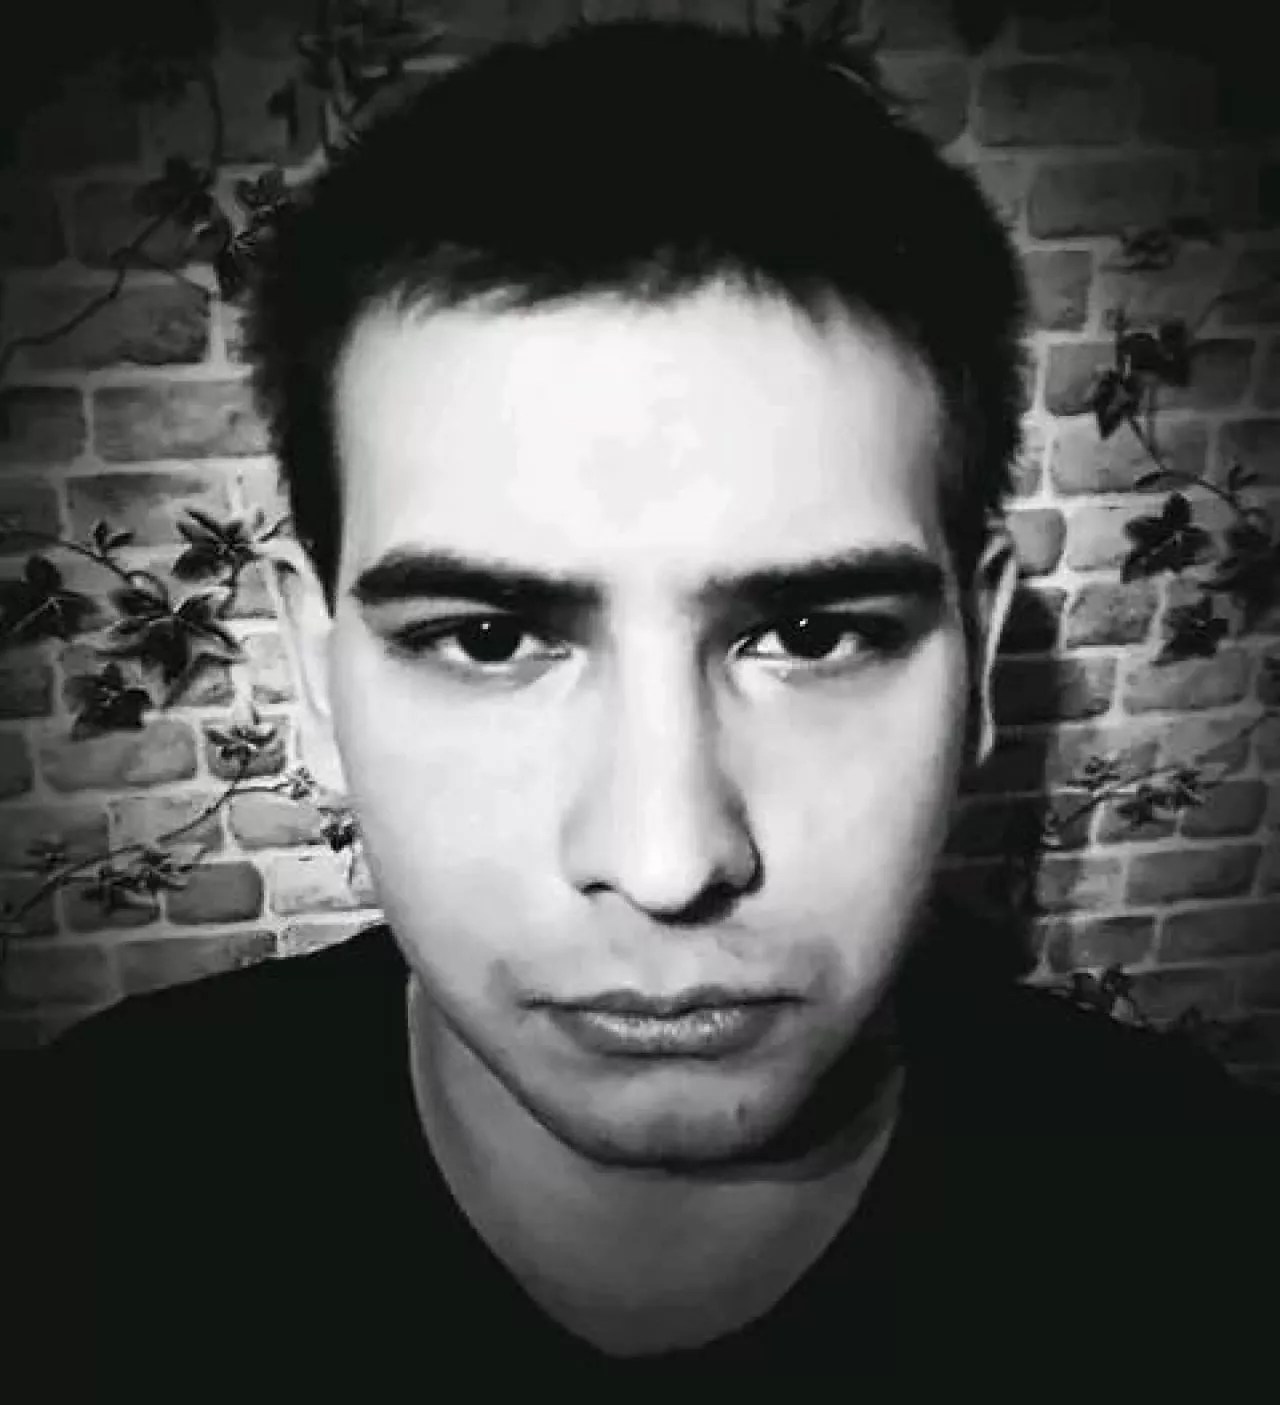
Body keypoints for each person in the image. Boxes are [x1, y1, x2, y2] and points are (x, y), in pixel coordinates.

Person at [12, 17, 1278, 1391]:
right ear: (319, 679)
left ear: (977, 660)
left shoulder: (1192, 1210)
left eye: (811, 635)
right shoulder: (88, 1179)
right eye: (488, 638)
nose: (669, 865)